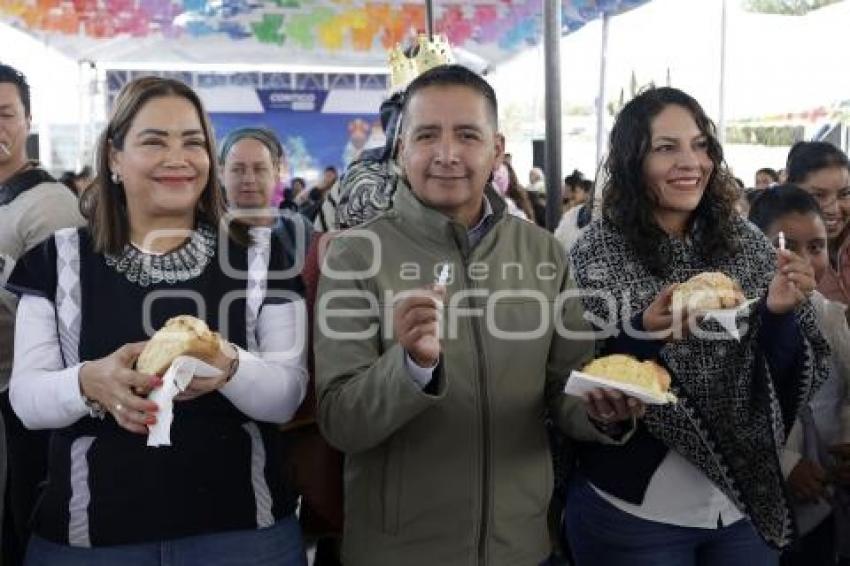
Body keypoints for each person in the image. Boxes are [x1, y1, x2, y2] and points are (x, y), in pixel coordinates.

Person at [314, 64, 643, 566]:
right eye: (427, 135)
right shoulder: (357, 255)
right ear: (402, 149)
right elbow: (340, 421)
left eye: (467, 135)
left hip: (524, 547)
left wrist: (603, 413)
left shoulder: (544, 253)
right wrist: (409, 367)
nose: (447, 154)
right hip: (397, 552)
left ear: (497, 148)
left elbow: (567, 391)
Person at [5, 76, 308, 565]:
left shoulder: (263, 258)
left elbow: (286, 397)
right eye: (154, 141)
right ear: (115, 158)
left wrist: (228, 363)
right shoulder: (56, 260)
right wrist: (89, 382)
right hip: (91, 539)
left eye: (193, 143)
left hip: (243, 535)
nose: (177, 158)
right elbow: (27, 400)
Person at [568, 87, 831, 565]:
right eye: (666, 148)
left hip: (742, 505)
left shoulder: (747, 242)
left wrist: (777, 314)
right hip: (636, 509)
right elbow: (579, 371)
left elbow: (786, 370)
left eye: (700, 144)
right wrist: (644, 332)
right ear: (632, 161)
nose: (691, 161)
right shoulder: (596, 252)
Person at [0, 63, 85, 566]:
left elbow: (67, 322)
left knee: (19, 529)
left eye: (5, 114)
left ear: (27, 120)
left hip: (21, 406)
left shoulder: (49, 205)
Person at [749, 184, 850, 566]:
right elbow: (739, 407)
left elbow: (846, 389)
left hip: (824, 496)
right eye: (786, 244)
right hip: (760, 502)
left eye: (817, 246)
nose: (805, 259)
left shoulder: (830, 314)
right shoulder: (737, 318)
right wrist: (786, 464)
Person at [218, 126, 312, 271]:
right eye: (237, 169)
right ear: (222, 174)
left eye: (259, 169)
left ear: (276, 173)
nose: (249, 179)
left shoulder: (298, 230)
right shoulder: (202, 235)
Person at [785, 141, 850, 305]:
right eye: (818, 196)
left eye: (844, 194)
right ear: (790, 191)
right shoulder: (772, 251)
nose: (833, 209)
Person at [300, 166, 340, 232]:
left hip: (333, 212)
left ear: (335, 176)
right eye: (326, 175)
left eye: (330, 175)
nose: (327, 178)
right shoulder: (320, 187)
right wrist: (319, 187)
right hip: (319, 214)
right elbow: (303, 197)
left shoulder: (338, 187)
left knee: (320, 204)